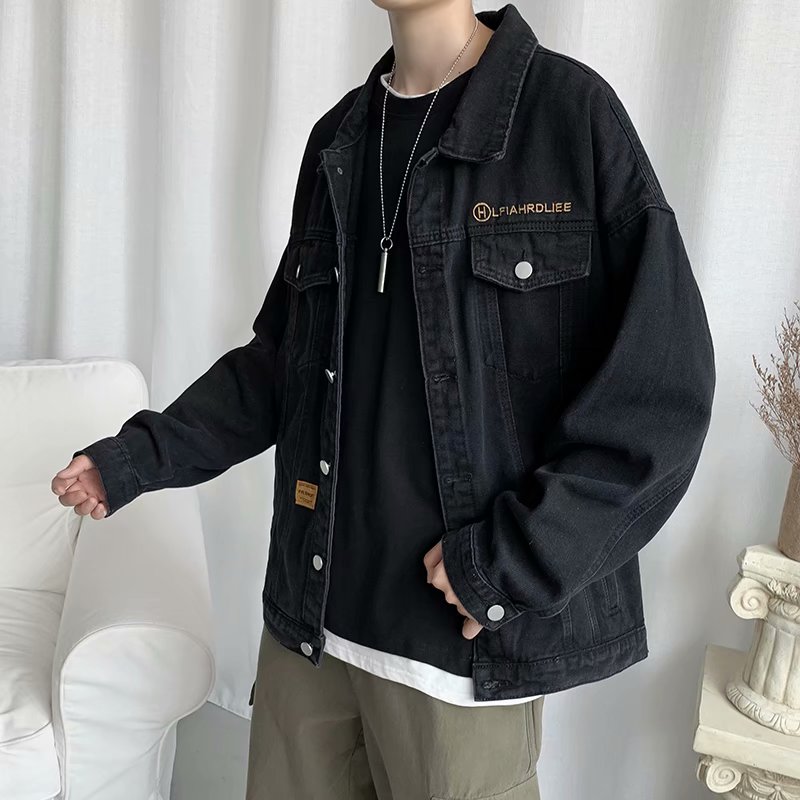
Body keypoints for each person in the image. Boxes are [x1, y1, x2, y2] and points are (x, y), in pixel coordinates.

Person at [51, 2, 716, 797]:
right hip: (311, 637)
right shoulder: (339, 140)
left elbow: (661, 392)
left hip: (456, 662)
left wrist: (513, 562)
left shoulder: (567, 117)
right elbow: (280, 367)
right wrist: (132, 459)